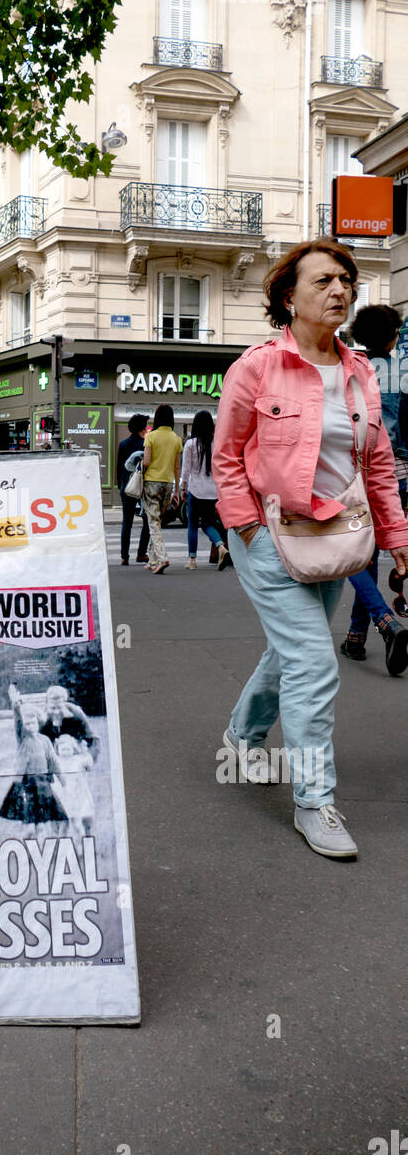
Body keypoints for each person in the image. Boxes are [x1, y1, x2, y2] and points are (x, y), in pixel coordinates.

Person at [213, 239, 408, 860]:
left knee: (291, 652)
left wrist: (398, 538)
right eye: (323, 280)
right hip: (269, 534)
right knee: (313, 664)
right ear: (287, 296)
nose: (340, 290)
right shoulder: (258, 366)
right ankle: (314, 801)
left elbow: (377, 465)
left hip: (335, 536)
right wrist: (245, 525)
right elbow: (226, 456)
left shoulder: (359, 372)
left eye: (346, 280)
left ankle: (240, 738)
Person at [339, 304, 408, 674]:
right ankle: (355, 636)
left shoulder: (349, 368)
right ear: (392, 336)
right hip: (397, 475)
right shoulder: (403, 372)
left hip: (355, 473)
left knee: (352, 554)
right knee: (374, 554)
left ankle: (383, 621)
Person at [0, 684, 68, 827]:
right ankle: (28, 839)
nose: (29, 726)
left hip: (43, 782)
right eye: (26, 724)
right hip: (27, 783)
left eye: (32, 723)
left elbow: (53, 761)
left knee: (44, 821)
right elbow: (17, 720)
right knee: (29, 820)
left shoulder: (45, 740)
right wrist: (15, 704)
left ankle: (41, 841)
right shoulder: (23, 739)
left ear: (38, 722)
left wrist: (63, 780)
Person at [180, 410, 232, 571]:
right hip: (213, 492)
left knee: (193, 524)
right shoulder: (216, 443)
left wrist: (183, 488)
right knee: (208, 524)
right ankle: (221, 547)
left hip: (196, 491)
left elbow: (186, 470)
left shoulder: (190, 444)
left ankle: (192, 560)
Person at [141, 403, 183, 574]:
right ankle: (152, 560)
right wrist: (177, 490)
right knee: (157, 520)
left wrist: (140, 475)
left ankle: (163, 557)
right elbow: (177, 467)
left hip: (151, 481)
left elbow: (145, 462)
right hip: (168, 483)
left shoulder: (151, 437)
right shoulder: (176, 439)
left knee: (153, 522)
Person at [117, 414, 150, 565]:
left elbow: (119, 468)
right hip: (141, 487)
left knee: (127, 522)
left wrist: (120, 486)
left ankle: (124, 556)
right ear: (142, 428)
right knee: (146, 521)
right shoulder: (145, 445)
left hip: (126, 487)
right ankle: (141, 553)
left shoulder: (123, 444)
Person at [38, 684, 99, 762]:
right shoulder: (41, 717)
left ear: (65, 704)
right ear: (46, 705)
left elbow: (92, 738)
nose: (56, 712)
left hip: (73, 753)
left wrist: (89, 758)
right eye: (52, 708)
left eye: (60, 707)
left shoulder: (76, 713)